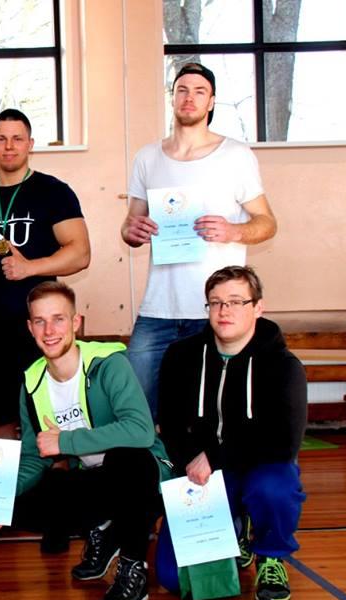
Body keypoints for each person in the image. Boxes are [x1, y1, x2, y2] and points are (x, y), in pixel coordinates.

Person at [121, 62, 277, 419]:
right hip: (158, 309)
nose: (189, 98)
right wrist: (132, 232)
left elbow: (267, 223)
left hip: (216, 312)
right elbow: (129, 225)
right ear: (172, 97)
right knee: (135, 410)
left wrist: (234, 231)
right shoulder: (147, 157)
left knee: (207, 415)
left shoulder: (235, 155)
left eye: (199, 91)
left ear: (211, 102)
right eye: (182, 90)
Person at [10, 281, 170, 600]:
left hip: (145, 478)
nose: (49, 331)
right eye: (40, 321)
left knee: (127, 459)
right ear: (29, 327)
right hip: (94, 481)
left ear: (76, 322)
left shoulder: (108, 364)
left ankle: (133, 567)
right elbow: (33, 457)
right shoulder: (32, 382)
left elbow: (140, 431)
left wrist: (66, 442)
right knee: (19, 505)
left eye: (58, 319)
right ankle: (106, 529)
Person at [156, 265, 306, 600]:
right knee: (172, 578)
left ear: (258, 307)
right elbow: (170, 423)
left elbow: (284, 441)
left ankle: (270, 556)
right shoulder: (181, 356)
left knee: (273, 488)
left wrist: (215, 456)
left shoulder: (283, 365)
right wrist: (190, 463)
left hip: (260, 466)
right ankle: (237, 529)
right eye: (216, 302)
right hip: (203, 473)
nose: (225, 311)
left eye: (236, 301)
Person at [0, 109, 90, 439]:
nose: (9, 146)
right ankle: (7, 475)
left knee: (49, 416)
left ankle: (55, 473)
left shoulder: (53, 192)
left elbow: (81, 253)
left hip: (41, 328)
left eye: (17, 139)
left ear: (30, 144)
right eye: (1, 139)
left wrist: (31, 267)